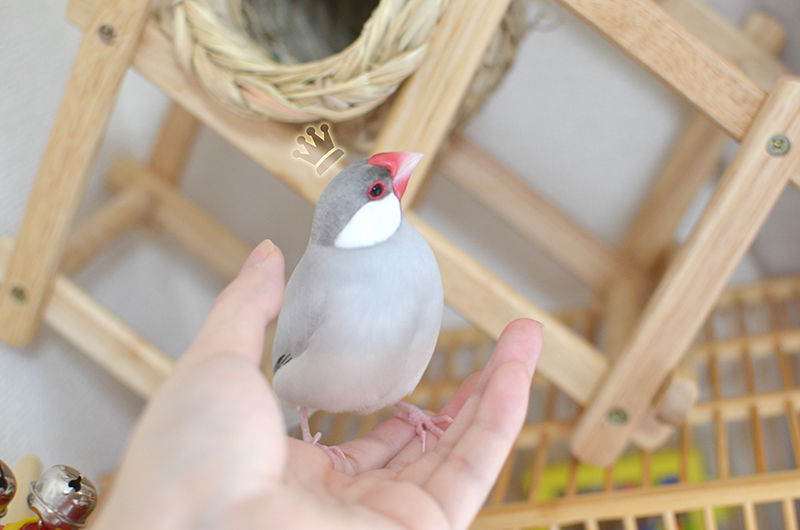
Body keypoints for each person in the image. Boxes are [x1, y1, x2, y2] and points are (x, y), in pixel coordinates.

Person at [90, 240, 543, 529]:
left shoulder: (409, 273)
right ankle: (307, 428)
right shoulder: (323, 283)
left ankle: (409, 413)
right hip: (301, 393)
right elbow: (289, 360)